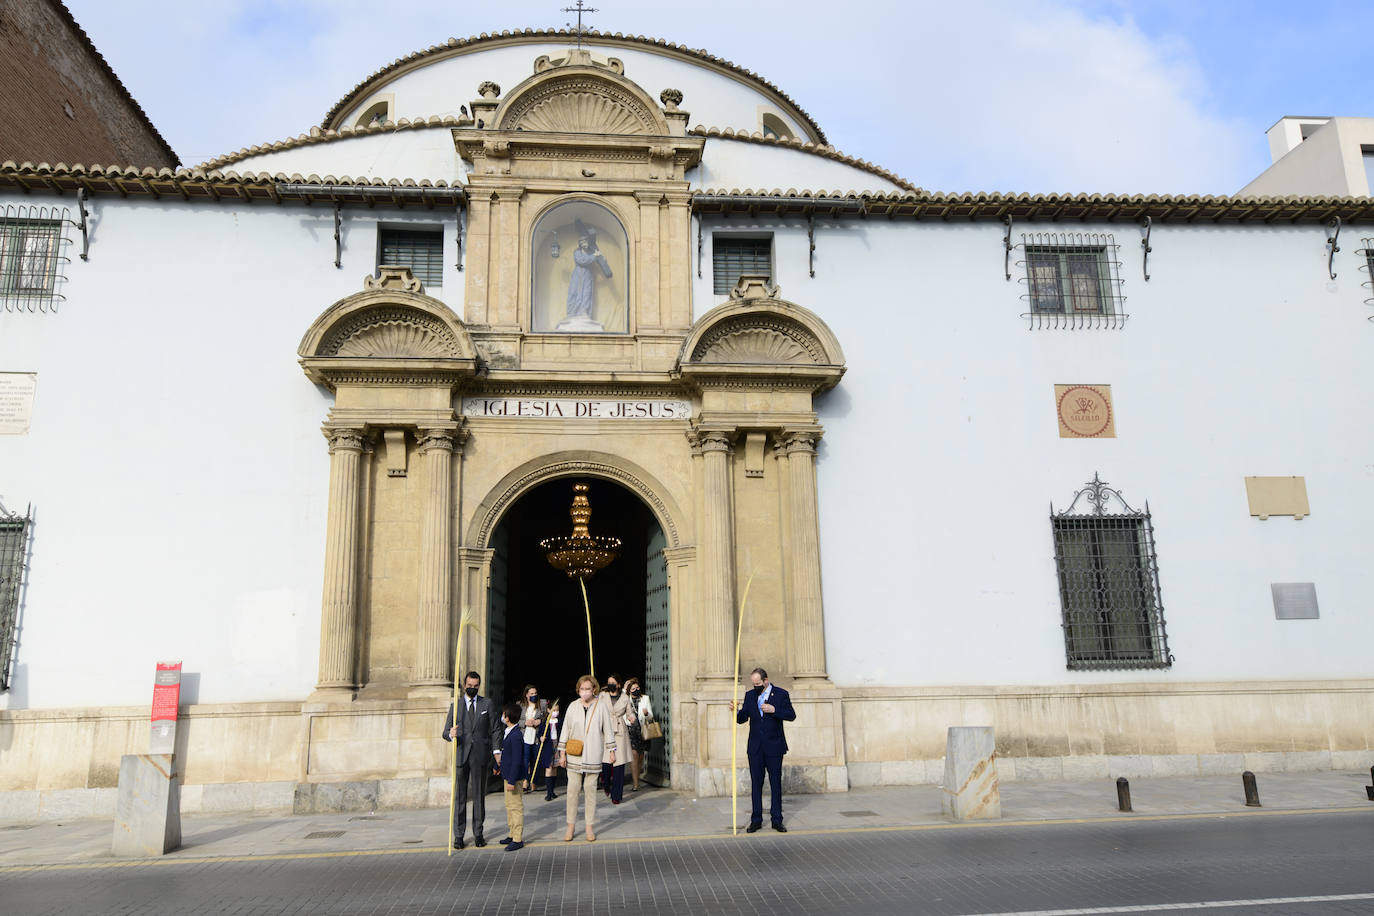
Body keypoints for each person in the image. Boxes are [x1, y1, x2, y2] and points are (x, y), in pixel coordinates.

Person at [441, 670, 501, 849]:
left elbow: (496, 729)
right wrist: (451, 734)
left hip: (480, 756)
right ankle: (459, 835)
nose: (473, 689)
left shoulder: (487, 704)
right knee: (460, 797)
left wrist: (496, 750)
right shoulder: (456, 706)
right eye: (469, 686)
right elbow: (445, 732)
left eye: (476, 686)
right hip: (461, 755)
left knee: (478, 797)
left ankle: (478, 833)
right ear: (464, 685)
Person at [734, 667, 796, 833]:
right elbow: (742, 719)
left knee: (775, 784)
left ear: (766, 680)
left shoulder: (781, 694)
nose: (756, 686)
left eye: (759, 683)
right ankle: (756, 820)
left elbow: (791, 715)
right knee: (756, 784)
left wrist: (775, 710)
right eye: (754, 684)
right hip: (755, 748)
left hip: (774, 746)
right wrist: (735, 711)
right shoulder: (750, 695)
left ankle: (777, 820)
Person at [557, 674, 617, 842]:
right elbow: (565, 730)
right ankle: (571, 826)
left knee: (590, 791)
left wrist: (612, 750)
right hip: (574, 755)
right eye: (582, 689)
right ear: (578, 690)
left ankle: (589, 827)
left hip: (593, 754)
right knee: (572, 791)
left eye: (587, 689)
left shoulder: (601, 706)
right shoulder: (572, 707)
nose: (584, 692)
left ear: (594, 689)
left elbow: (608, 729)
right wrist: (562, 754)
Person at [493, 702, 526, 851]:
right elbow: (505, 753)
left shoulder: (516, 735)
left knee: (515, 807)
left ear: (507, 717)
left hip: (514, 777)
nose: (502, 716)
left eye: (503, 714)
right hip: (507, 774)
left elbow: (517, 760)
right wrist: (498, 766)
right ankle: (512, 833)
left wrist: (512, 780)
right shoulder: (508, 732)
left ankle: (518, 838)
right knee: (509, 806)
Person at [599, 674, 634, 805]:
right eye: (609, 682)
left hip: (620, 731)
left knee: (619, 764)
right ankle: (606, 784)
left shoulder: (625, 698)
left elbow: (629, 712)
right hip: (606, 729)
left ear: (618, 684)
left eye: (613, 682)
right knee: (606, 763)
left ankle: (616, 795)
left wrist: (631, 717)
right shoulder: (602, 696)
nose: (611, 684)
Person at [565, 226, 612, 319]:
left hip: (588, 275)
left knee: (587, 293)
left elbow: (599, 259)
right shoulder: (577, 252)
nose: (585, 244)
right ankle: (572, 313)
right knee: (575, 292)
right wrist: (594, 256)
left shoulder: (592, 252)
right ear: (580, 244)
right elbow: (581, 261)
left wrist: (601, 258)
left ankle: (584, 312)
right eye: (583, 242)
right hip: (578, 274)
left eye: (586, 242)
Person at [625, 677, 654, 792]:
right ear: (629, 690)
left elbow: (650, 716)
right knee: (634, 756)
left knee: (641, 756)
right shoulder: (626, 699)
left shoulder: (645, 698)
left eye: (637, 688)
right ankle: (635, 783)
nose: (636, 690)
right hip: (631, 730)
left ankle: (637, 777)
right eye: (633, 688)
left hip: (642, 730)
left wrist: (647, 714)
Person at [519, 685, 548, 793]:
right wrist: (525, 723)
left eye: (535, 693)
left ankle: (534, 781)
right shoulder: (520, 705)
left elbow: (548, 718)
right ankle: (525, 781)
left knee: (535, 761)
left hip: (536, 738)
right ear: (526, 695)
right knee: (525, 761)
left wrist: (540, 722)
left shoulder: (543, 704)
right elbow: (514, 720)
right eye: (531, 694)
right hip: (525, 737)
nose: (534, 695)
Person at [539, 699, 560, 802]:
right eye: (554, 710)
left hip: (557, 743)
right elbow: (540, 733)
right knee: (549, 768)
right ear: (548, 710)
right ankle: (548, 792)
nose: (556, 712)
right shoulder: (544, 722)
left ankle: (552, 790)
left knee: (555, 767)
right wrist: (541, 737)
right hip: (548, 745)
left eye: (557, 710)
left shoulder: (559, 721)